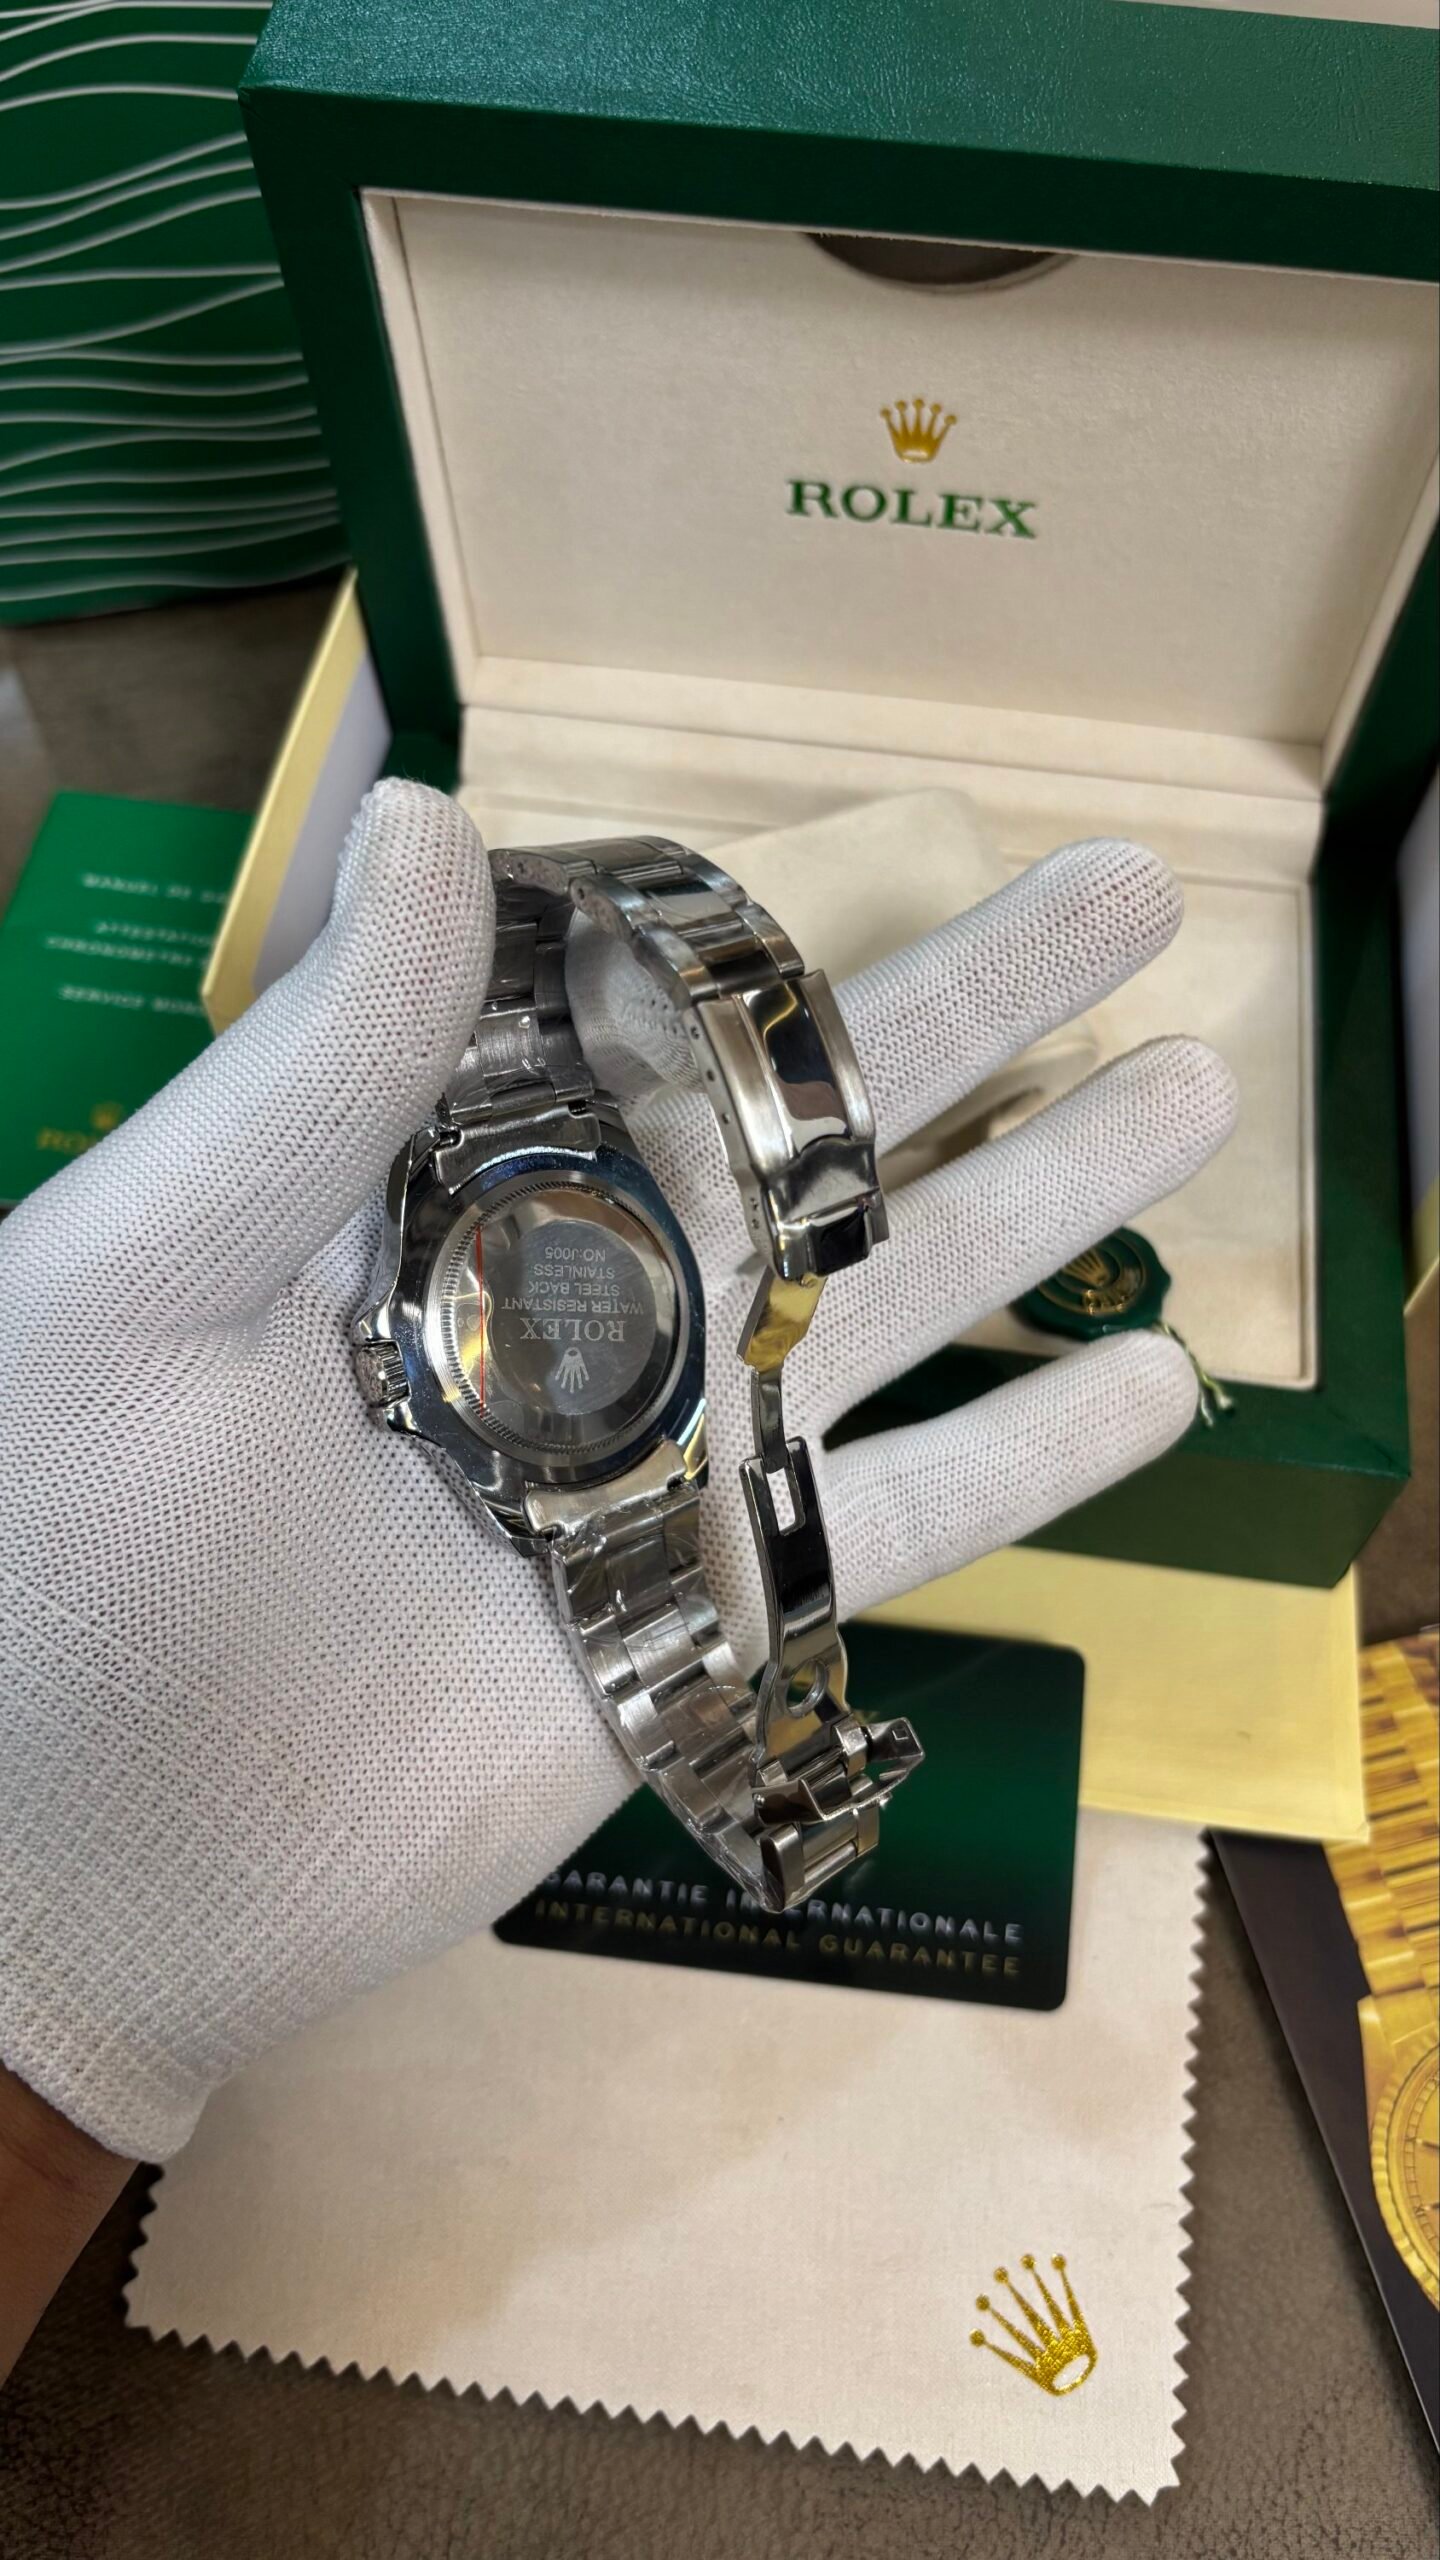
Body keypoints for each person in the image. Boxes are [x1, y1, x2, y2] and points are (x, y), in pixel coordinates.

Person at [0, 781, 1236, 2378]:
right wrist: (57, 2028)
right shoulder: (420, 1340)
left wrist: (50, 2067)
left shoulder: (577, 1297)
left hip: (645, 1428)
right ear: (396, 1363)